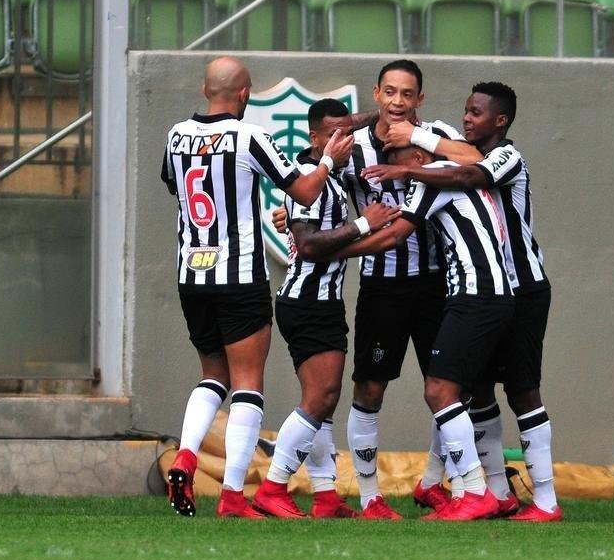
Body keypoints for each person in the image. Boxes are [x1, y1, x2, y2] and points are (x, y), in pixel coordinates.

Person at [273, 60, 482, 519]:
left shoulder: (437, 136)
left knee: (448, 390)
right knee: (368, 388)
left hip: (435, 283)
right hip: (381, 285)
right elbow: (310, 175)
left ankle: (433, 484)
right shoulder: (355, 148)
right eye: (389, 92)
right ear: (376, 93)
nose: (398, 102)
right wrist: (291, 215)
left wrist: (419, 137)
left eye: (407, 94)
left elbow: (473, 161)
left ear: (421, 99)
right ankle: (369, 497)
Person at [162, 56, 353, 519]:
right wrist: (329, 159)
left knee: (213, 376)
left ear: (206, 90)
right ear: (244, 95)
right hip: (238, 274)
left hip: (192, 273)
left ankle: (186, 454)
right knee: (248, 384)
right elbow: (305, 191)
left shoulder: (175, 134)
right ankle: (231, 497)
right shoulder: (249, 136)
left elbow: (176, 186)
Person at [364, 82, 561, 521]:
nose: (467, 119)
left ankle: (544, 500)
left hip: (524, 287)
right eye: (465, 112)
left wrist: (408, 167)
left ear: (501, 120)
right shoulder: (450, 164)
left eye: (475, 113)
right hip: (493, 288)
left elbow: (471, 173)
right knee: (476, 390)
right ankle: (493, 491)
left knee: (522, 390)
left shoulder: (505, 157)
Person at [336, 142, 516, 521]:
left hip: (475, 294)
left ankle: (476, 492)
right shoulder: (451, 176)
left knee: (440, 390)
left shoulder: (434, 180)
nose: (391, 173)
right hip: (484, 293)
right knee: (452, 391)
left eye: (395, 164)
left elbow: (393, 235)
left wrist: (330, 251)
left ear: (418, 159)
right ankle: (453, 487)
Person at [250, 99, 396, 519]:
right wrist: (368, 225)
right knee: (321, 396)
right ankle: (273, 487)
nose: (343, 141)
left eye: (346, 133)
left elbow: (350, 125)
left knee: (324, 402)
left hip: (317, 301)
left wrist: (387, 113)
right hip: (308, 301)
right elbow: (311, 247)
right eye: (333, 135)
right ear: (314, 138)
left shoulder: (326, 176)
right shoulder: (310, 181)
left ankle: (326, 495)